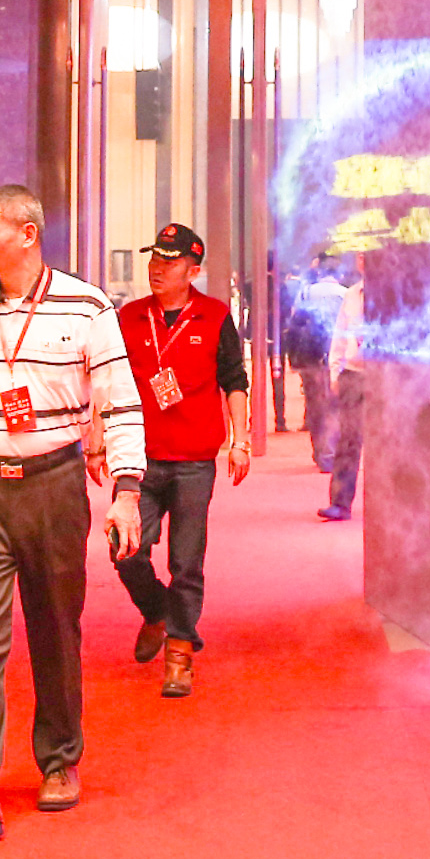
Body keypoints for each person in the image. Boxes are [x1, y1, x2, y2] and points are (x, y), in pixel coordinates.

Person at [0, 184, 146, 845]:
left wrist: (127, 489)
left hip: (54, 485)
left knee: (55, 628)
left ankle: (60, 760)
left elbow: (121, 400)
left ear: (28, 234)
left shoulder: (86, 306)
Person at [115, 222, 251, 697]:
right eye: (154, 259)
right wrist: (97, 440)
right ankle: (157, 611)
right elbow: (109, 383)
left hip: (194, 460)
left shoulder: (214, 317)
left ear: (193, 270)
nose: (157, 268)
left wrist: (240, 440)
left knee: (187, 561)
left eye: (169, 262)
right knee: (126, 551)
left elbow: (234, 380)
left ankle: (179, 654)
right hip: (139, 460)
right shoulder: (130, 317)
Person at [318, 254, 368, 522]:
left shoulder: (395, 295)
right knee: (348, 440)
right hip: (354, 373)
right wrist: (335, 371)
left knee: (390, 441)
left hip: (386, 376)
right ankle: (340, 502)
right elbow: (340, 335)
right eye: (360, 256)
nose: (363, 260)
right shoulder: (351, 294)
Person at [285, 264, 342, 470]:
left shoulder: (306, 292)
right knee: (334, 406)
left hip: (310, 355)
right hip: (336, 355)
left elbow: (294, 322)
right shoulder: (345, 294)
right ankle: (330, 452)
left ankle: (319, 451)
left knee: (315, 405)